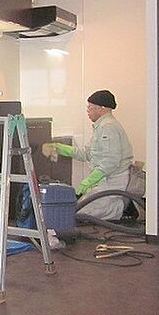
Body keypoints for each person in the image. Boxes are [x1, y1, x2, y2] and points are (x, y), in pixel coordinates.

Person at [42, 90, 133, 220]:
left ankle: (124, 209)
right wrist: (59, 148)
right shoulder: (100, 126)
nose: (87, 110)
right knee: (77, 209)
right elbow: (87, 154)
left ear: (101, 108)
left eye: (90, 106)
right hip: (104, 181)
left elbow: (110, 162)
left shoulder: (108, 127)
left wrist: (88, 181)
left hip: (112, 182)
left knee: (81, 213)